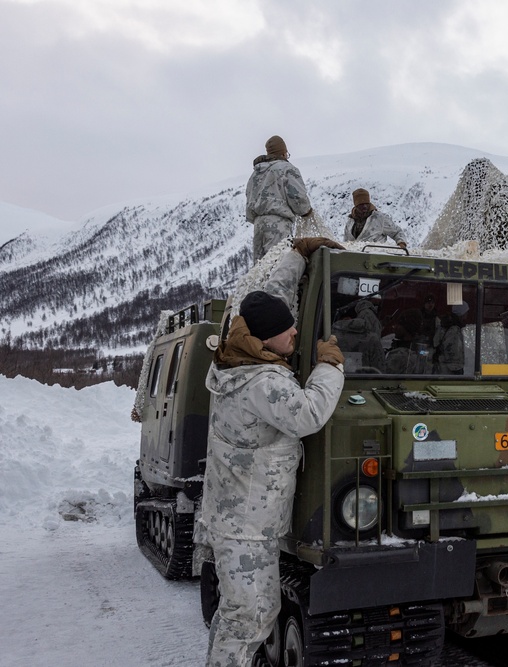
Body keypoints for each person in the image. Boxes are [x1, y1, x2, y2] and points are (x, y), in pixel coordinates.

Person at [201, 237, 344, 667]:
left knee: (241, 616)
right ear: (268, 338)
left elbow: (271, 308)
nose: (297, 332)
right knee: (248, 619)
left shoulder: (240, 357)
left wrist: (296, 257)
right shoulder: (263, 382)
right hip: (247, 527)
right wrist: (330, 366)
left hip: (241, 519)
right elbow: (311, 412)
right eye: (290, 331)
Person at [246, 135, 314, 261]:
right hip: (278, 223)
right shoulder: (287, 168)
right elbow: (297, 196)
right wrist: (306, 211)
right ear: (283, 153)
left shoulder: (255, 174)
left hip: (258, 224)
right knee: (277, 263)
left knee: (259, 268)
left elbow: (249, 197)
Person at [343, 188, 407, 248]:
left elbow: (397, 232)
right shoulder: (350, 223)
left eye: (366, 203)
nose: (364, 206)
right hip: (354, 257)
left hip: (377, 257)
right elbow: (346, 243)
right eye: (361, 204)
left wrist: (401, 243)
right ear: (356, 205)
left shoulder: (380, 218)